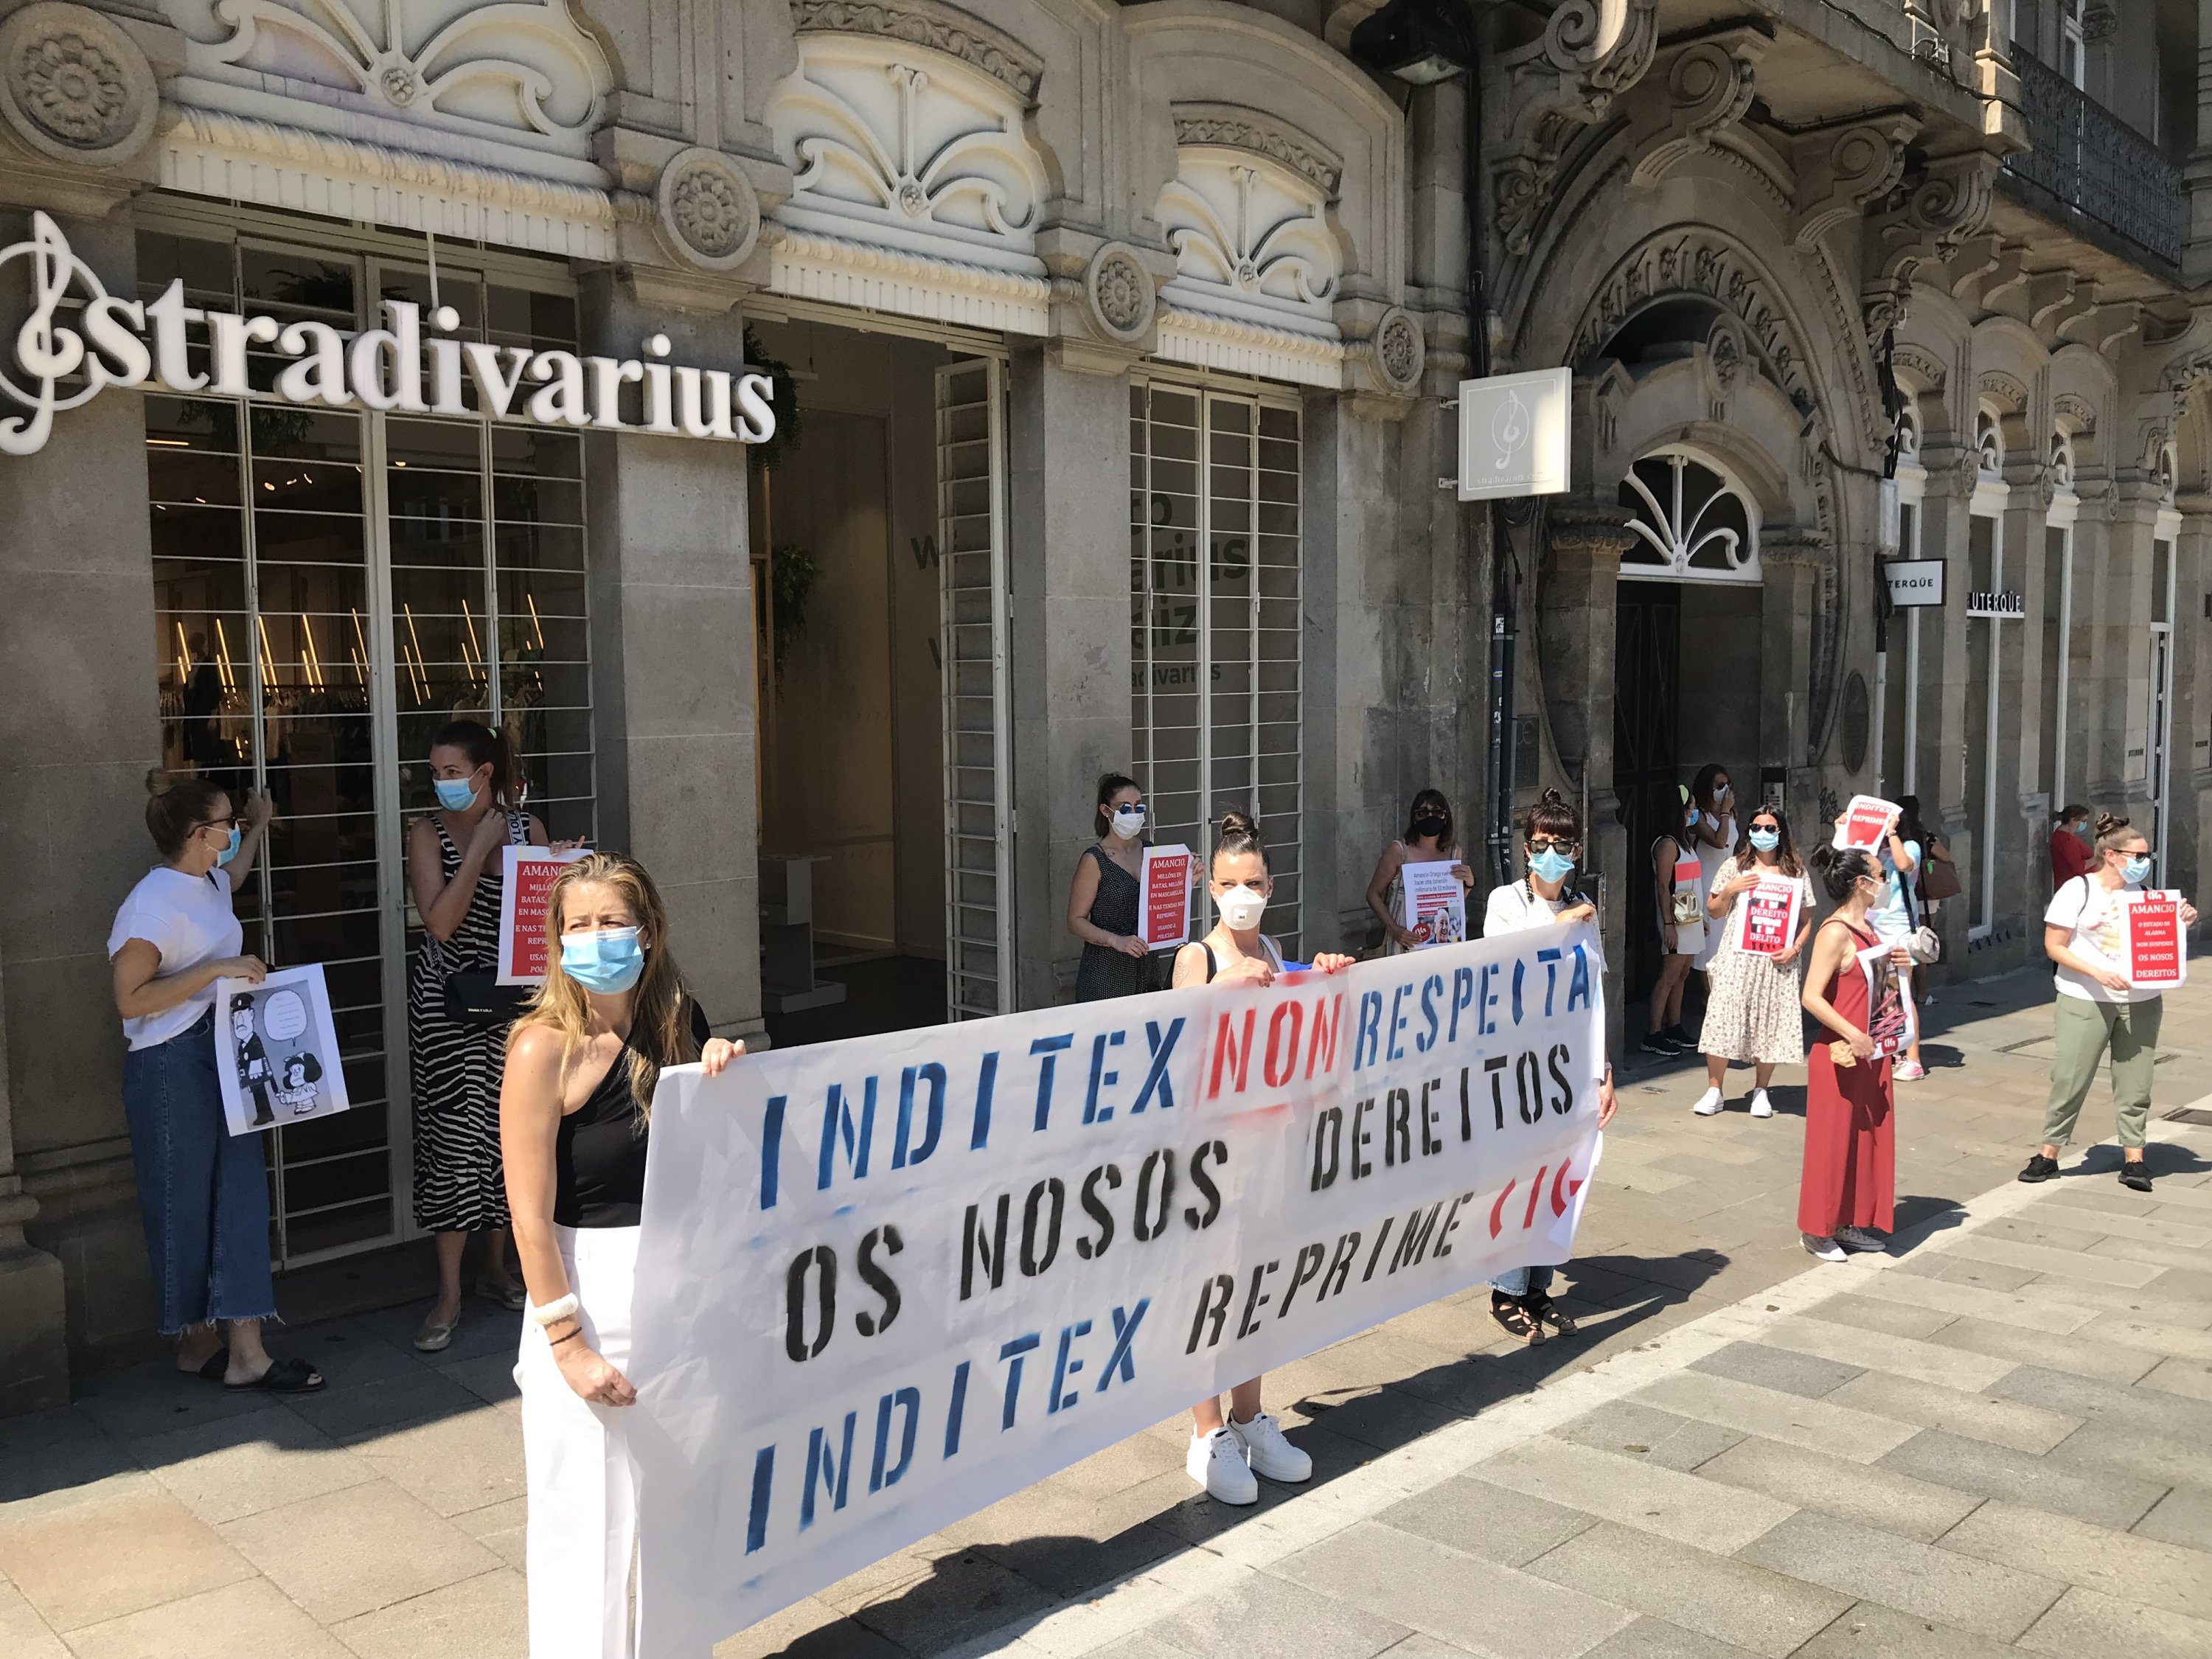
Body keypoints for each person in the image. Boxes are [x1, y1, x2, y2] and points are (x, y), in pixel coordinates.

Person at [502, 853, 742, 1659]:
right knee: (587, 1524)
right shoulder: (541, 1048)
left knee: (676, 1515)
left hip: (678, 1288)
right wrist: (567, 1343)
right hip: (588, 1289)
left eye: (611, 921)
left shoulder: (678, 1022)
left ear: (648, 930)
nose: (595, 937)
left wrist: (724, 1078)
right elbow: (528, 1216)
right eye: (578, 925)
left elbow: (709, 1160)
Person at [108, 772, 324, 1391]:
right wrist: (215, 970)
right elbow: (129, 998)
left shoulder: (205, 880)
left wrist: (257, 827)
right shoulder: (151, 905)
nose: (233, 830)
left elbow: (233, 876)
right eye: (227, 822)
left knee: (240, 1194)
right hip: (171, 1061)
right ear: (200, 834)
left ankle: (245, 1349)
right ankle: (197, 1340)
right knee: (185, 1202)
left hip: (222, 1048)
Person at [1172, 810, 1356, 1503]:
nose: (1241, 894)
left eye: (1252, 882)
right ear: (1211, 890)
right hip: (1212, 1154)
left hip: (1272, 1144)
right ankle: (1207, 1432)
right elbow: (1173, 1043)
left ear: (1270, 887)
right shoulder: (1198, 957)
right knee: (1212, 1289)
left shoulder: (1277, 951)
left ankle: (1249, 1417)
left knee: (1257, 1287)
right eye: (1228, 884)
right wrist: (1223, 989)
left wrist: (1326, 976)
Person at [407, 719, 561, 1352]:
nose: (441, 782)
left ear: (484, 773)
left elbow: (547, 918)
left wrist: (561, 868)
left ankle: (496, 1267)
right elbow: (441, 923)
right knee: (452, 1141)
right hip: (448, 1009)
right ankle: (449, 1291)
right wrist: (478, 852)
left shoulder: (529, 829)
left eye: (452, 771)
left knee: (510, 1137)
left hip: (513, 1009)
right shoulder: (428, 833)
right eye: (435, 772)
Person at [1481, 789, 1619, 1343]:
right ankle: (1506, 1288)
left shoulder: (1582, 906)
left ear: (1576, 850)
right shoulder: (1506, 902)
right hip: (1516, 1061)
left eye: (1561, 845)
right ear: (1526, 848)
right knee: (1518, 1175)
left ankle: (1538, 1285)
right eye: (1540, 844)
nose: (1550, 855)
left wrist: (1604, 1072)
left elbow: (1593, 996)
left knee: (1558, 1175)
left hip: (1568, 1066)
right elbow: (1506, 963)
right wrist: (1565, 923)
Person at [2020, 813, 2197, 1194]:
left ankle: (2134, 1158)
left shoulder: (2148, 896)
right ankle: (2049, 1154)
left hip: (2141, 1000)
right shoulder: (2078, 890)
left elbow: (2162, 941)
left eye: (2147, 856)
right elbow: (2054, 946)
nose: (2145, 862)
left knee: (2136, 1082)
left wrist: (2182, 920)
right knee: (2070, 1077)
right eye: (2139, 855)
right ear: (2112, 856)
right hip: (2085, 998)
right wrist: (2096, 972)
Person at [1798, 844, 1910, 1262]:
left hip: (1871, 1051)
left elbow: (1876, 986)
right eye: (1880, 876)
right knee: (1831, 1144)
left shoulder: (1870, 928)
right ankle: (1816, 1230)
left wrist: (1900, 966)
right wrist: (1851, 1033)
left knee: (1864, 1139)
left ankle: (1847, 1222)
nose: (1885, 883)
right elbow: (1811, 995)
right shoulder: (1835, 932)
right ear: (1861, 883)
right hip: (1840, 1053)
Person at [1692, 807, 1814, 1119]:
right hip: (1737, 957)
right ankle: (1714, 1089)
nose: (1763, 833)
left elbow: (1805, 920)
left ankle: (1761, 1089)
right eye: (1756, 827)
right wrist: (1731, 889)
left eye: (1770, 828)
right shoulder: (1734, 866)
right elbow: (1714, 910)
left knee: (1769, 1021)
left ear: (1781, 832)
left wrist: (1795, 948)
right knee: (1722, 1017)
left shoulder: (1795, 872)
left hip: (1776, 961)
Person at [1839, 804, 1930, 1082]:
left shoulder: (1909, 846)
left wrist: (1891, 834)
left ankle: (1913, 1059)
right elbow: (1844, 865)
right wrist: (1843, 830)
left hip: (1898, 929)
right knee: (1878, 993)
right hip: (1871, 926)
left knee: (1900, 993)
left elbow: (1904, 866)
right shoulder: (1870, 853)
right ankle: (1892, 1049)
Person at [1067, 773, 1156, 1000]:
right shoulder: (1095, 860)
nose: (1133, 813)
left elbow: (1164, 901)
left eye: (1138, 807)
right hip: (1106, 975)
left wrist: (1187, 879)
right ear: (1106, 811)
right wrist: (1115, 941)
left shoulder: (1150, 851)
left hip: (1147, 971)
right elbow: (1075, 921)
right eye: (1124, 808)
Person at [1366, 789, 1476, 953]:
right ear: (1414, 818)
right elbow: (1373, 894)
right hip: (1405, 939)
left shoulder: (1454, 852)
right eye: (1423, 812)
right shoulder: (1399, 851)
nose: (1430, 817)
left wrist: (1469, 883)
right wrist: (1394, 929)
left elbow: (1452, 901)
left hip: (1441, 942)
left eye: (1437, 812)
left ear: (1446, 817)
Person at [1643, 784, 1697, 1055]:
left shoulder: (1684, 843)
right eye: (1690, 808)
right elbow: (1663, 886)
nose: (1693, 813)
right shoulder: (1667, 844)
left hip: (1690, 917)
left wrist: (1699, 920)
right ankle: (1653, 1033)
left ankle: (1674, 1026)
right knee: (1669, 975)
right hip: (1675, 920)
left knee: (1682, 974)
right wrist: (1668, 924)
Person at [2050, 802, 2093, 891]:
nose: (2084, 824)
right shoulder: (2065, 840)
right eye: (2083, 821)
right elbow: (2078, 867)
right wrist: (2099, 858)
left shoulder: (2066, 836)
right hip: (2074, 888)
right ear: (2072, 820)